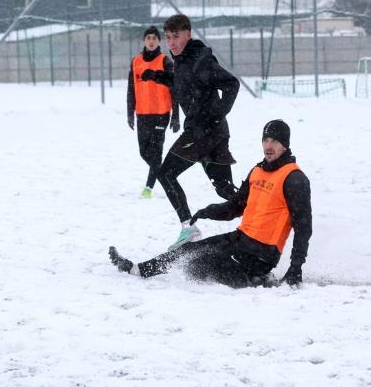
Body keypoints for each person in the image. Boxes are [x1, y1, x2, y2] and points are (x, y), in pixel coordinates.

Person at [109, 120, 311, 288]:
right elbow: (236, 207)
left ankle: (253, 281)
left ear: (285, 144)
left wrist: (296, 268)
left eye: (274, 141)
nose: (268, 146)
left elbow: (303, 228)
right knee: (189, 253)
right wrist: (209, 211)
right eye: (265, 140)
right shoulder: (257, 171)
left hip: (261, 255)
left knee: (205, 263)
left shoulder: (294, 178)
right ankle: (139, 269)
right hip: (240, 240)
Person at [150, 14, 240, 250]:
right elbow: (186, 84)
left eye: (176, 36)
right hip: (215, 133)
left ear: (188, 34)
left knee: (166, 174)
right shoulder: (182, 61)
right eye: (168, 38)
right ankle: (263, 213)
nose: (171, 42)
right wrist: (159, 77)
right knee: (226, 190)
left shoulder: (200, 60)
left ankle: (188, 228)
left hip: (202, 133)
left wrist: (218, 111)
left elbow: (231, 83)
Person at [127, 26, 180, 199]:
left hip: (160, 115)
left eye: (154, 38)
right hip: (142, 115)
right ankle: (164, 173)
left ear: (159, 41)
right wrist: (130, 113)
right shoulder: (136, 62)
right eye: (148, 38)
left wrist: (176, 116)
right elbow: (131, 89)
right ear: (144, 41)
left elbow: (175, 89)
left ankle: (148, 188)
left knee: (156, 153)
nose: (151, 41)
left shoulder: (165, 61)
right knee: (144, 152)